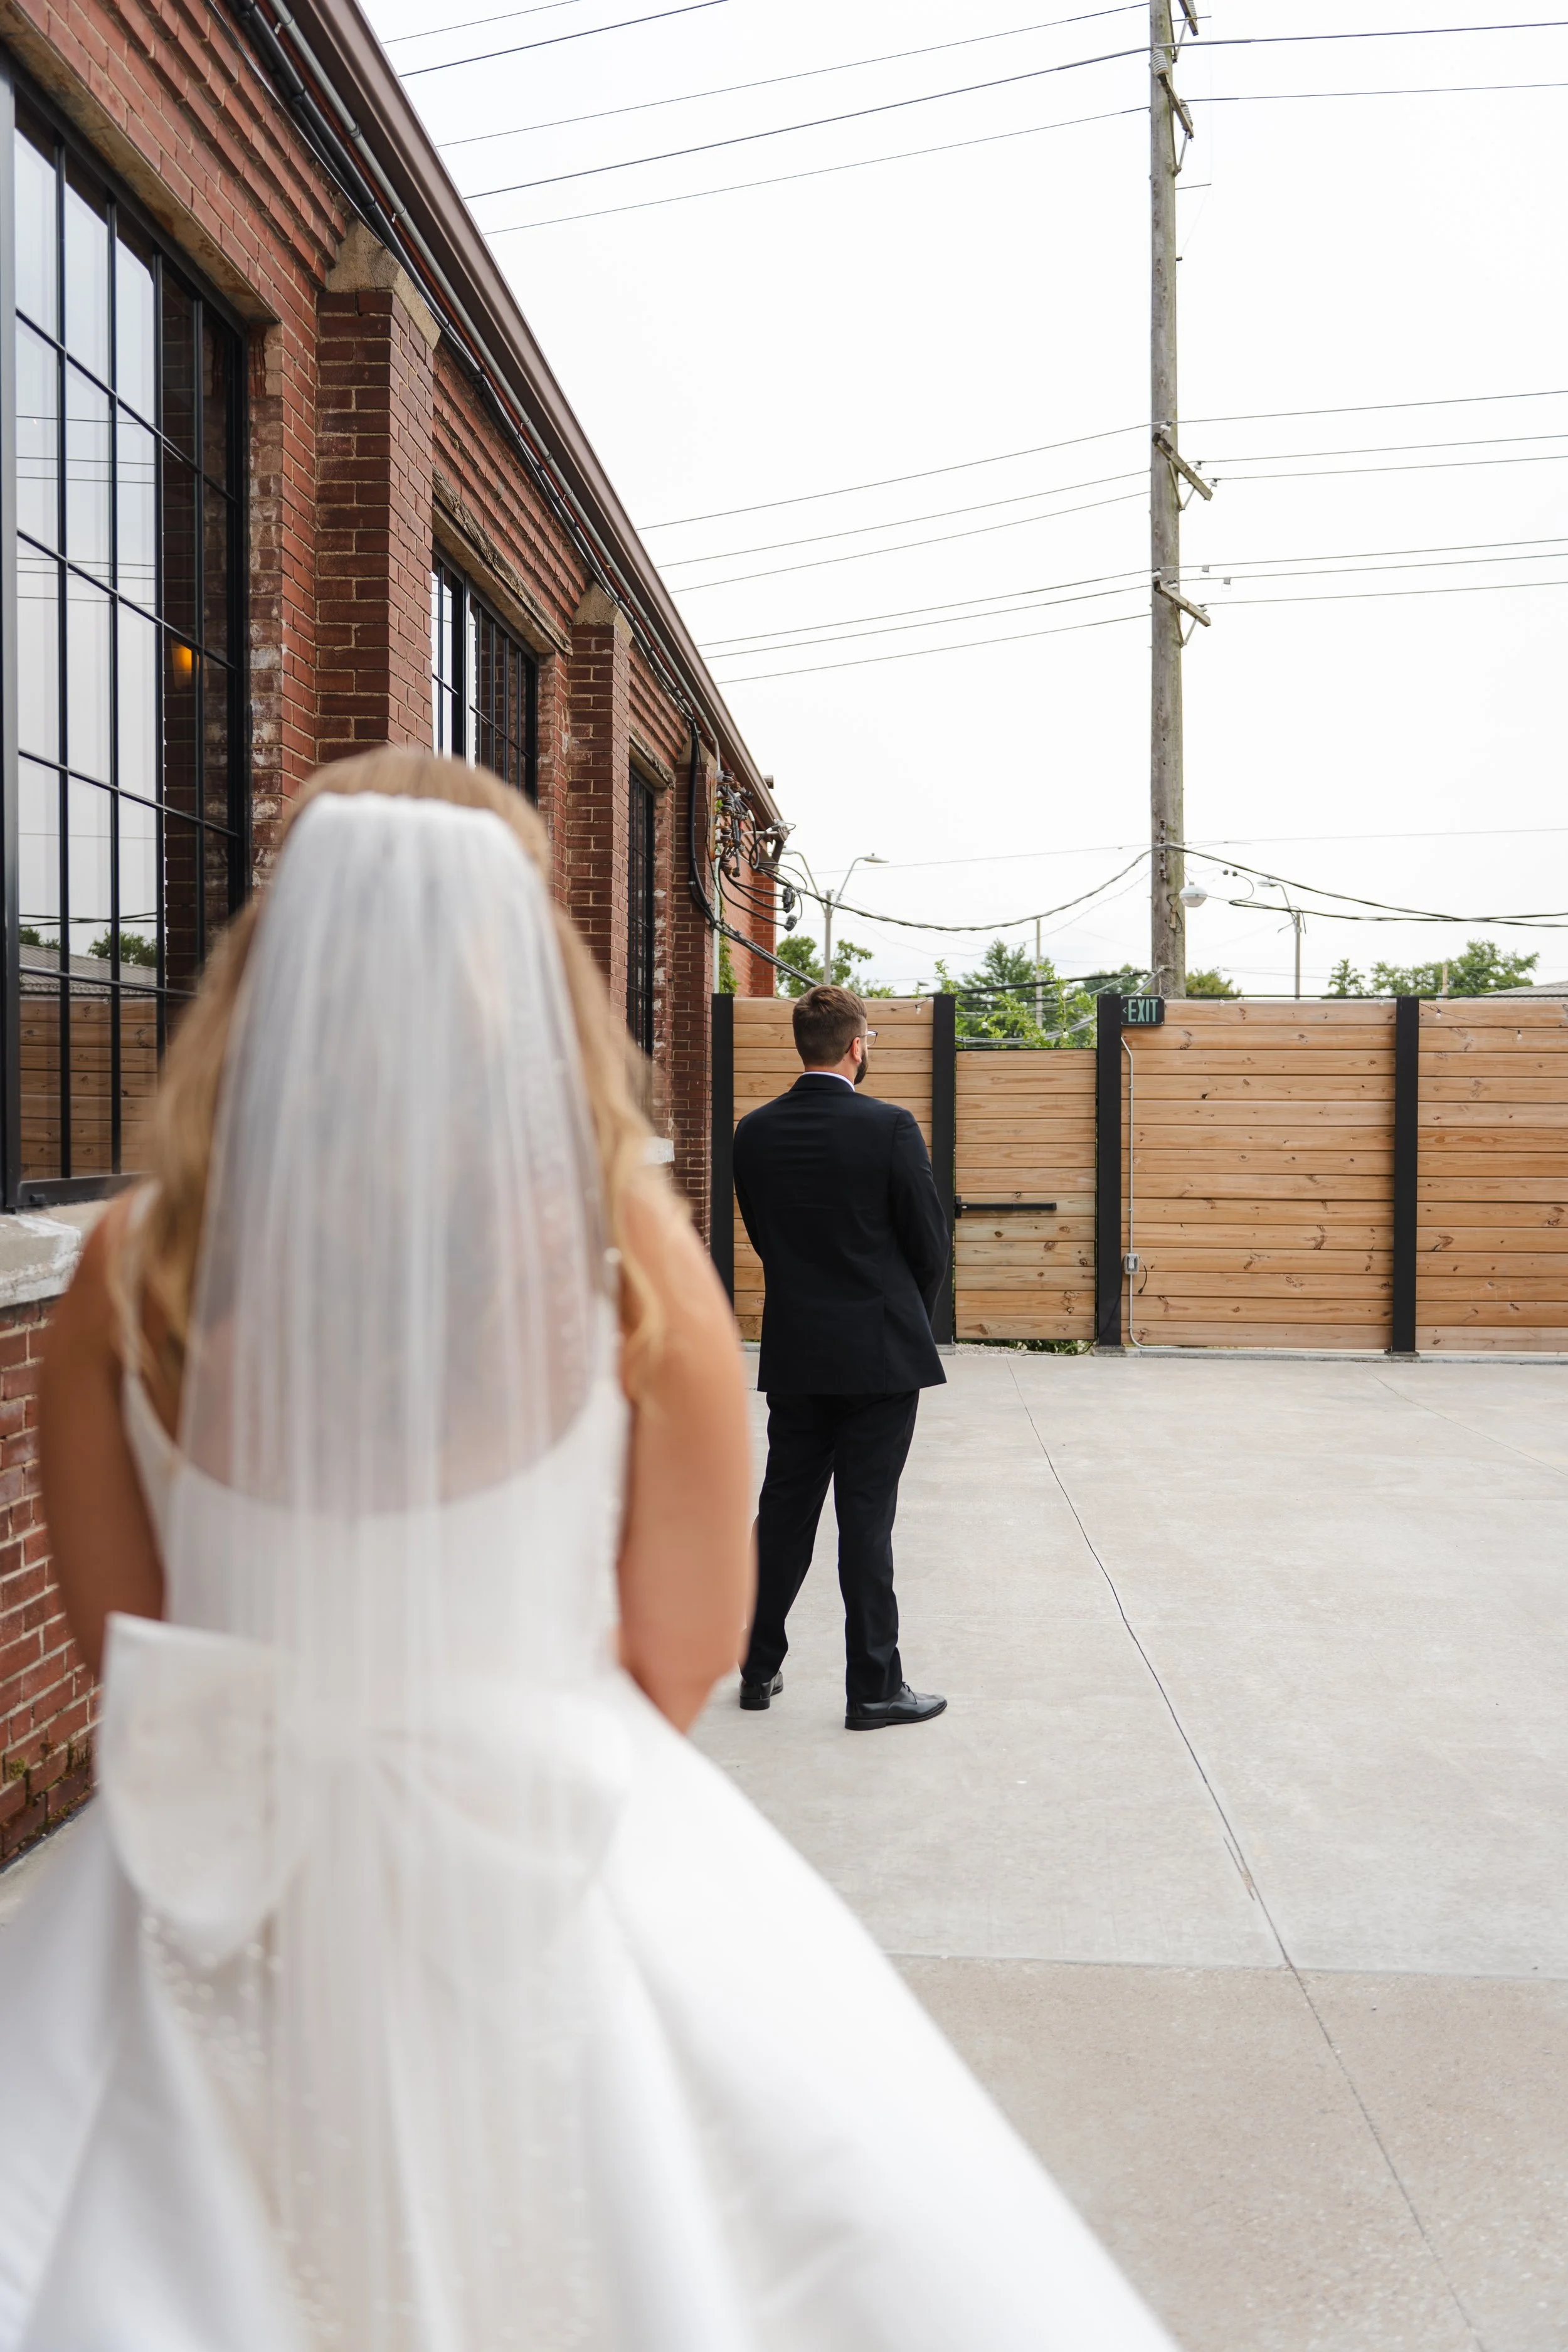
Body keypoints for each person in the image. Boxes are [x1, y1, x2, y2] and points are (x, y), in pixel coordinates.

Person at [0, 750, 1177, 2352]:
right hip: (551, 1854)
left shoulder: (132, 1257)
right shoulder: (621, 1244)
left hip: (209, 1884)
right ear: (523, 966)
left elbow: (121, 1624)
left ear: (271, 959)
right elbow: (683, 1641)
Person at [733, 983, 950, 1729]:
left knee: (784, 1510)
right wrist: (901, 1325)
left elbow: (764, 1236)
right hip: (878, 1355)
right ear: (856, 1047)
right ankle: (873, 1690)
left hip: (797, 1350)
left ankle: (757, 1671)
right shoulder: (890, 1126)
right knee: (866, 1518)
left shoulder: (753, 1132)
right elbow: (929, 1248)